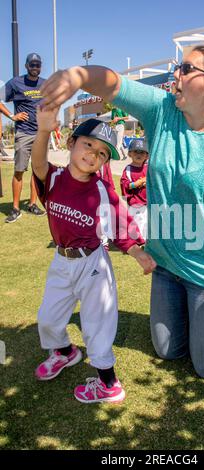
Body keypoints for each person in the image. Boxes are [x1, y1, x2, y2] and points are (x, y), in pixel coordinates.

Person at [40, 45, 204, 379]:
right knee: (168, 350)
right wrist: (77, 75)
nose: (176, 75)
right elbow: (112, 84)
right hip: (165, 265)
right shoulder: (161, 110)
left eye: (185, 68)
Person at [31, 109, 156, 403]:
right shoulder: (54, 178)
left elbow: (122, 226)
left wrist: (139, 254)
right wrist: (44, 132)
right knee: (48, 318)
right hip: (61, 261)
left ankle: (108, 382)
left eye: (102, 153)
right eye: (89, 145)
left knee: (96, 322)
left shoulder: (101, 189)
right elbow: (37, 163)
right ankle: (64, 352)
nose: (93, 155)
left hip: (92, 264)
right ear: (72, 143)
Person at [3, 53, 46, 223]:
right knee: (19, 171)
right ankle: (15, 208)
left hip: (41, 134)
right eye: (32, 64)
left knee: (37, 172)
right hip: (24, 133)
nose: (35, 67)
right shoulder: (15, 83)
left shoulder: (45, 83)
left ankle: (32, 204)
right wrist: (12, 116)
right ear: (26, 66)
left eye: (38, 64)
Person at [120, 139, 148, 239]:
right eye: (136, 151)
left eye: (142, 152)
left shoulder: (148, 168)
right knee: (137, 222)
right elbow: (125, 184)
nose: (139, 154)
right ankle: (138, 242)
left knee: (146, 223)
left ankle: (144, 241)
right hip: (135, 202)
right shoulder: (128, 169)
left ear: (147, 155)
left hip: (148, 201)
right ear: (130, 154)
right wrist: (135, 184)